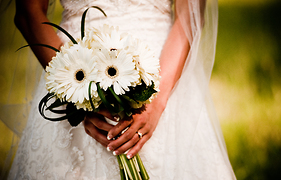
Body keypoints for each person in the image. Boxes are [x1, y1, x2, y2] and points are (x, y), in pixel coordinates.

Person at [5, 0, 236, 179]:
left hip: (162, 70)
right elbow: (29, 13)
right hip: (74, 65)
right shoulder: (75, 81)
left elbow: (190, 13)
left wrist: (155, 104)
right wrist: (78, 91)